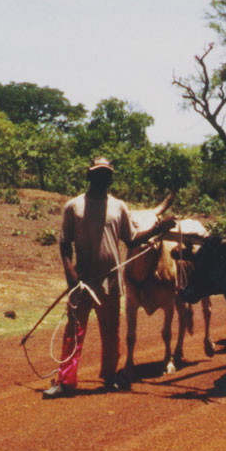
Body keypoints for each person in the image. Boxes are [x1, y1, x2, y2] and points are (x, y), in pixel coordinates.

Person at [43, 157, 169, 399]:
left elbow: (131, 239)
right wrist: (70, 274)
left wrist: (157, 230)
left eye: (107, 174)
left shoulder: (119, 207)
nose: (103, 178)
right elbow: (64, 243)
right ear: (89, 176)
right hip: (81, 281)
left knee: (111, 332)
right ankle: (66, 381)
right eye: (98, 174)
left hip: (110, 281)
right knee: (74, 332)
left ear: (111, 178)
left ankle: (110, 377)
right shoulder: (74, 206)